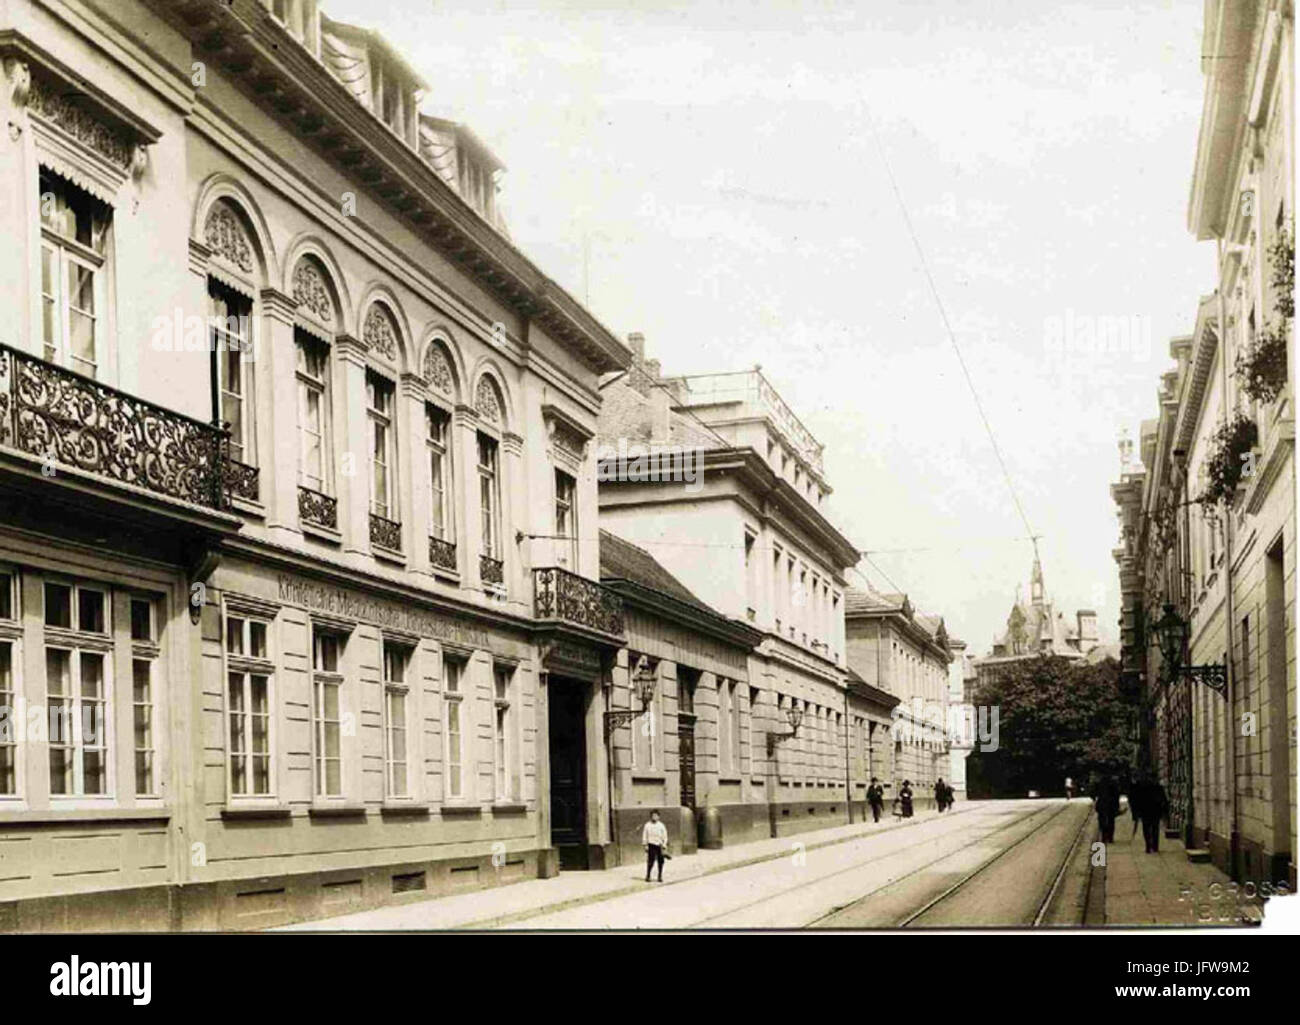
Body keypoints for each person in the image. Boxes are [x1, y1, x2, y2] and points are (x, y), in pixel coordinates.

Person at [1130, 775, 1170, 854]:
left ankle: (1148, 846)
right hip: (1155, 811)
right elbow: (1164, 800)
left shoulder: (1141, 788)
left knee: (1146, 829)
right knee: (1155, 828)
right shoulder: (1157, 787)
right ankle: (1155, 846)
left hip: (1145, 811)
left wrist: (1136, 813)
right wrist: (1165, 812)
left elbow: (1136, 801)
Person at [642, 809, 669, 882]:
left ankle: (659, 876)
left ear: (658, 817)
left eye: (656, 816)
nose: (654, 817)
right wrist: (645, 845)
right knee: (651, 861)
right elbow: (645, 836)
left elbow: (665, 836)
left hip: (659, 845)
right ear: (651, 817)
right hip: (651, 845)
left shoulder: (661, 825)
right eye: (653, 816)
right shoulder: (647, 825)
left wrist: (664, 844)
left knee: (661, 861)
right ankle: (648, 875)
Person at [1094, 775, 1120, 843]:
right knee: (1111, 820)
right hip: (1111, 804)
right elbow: (1117, 794)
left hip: (1102, 804)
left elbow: (1092, 792)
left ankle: (1104, 836)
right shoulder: (1113, 783)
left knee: (1102, 821)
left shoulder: (1099, 782)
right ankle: (1110, 837)